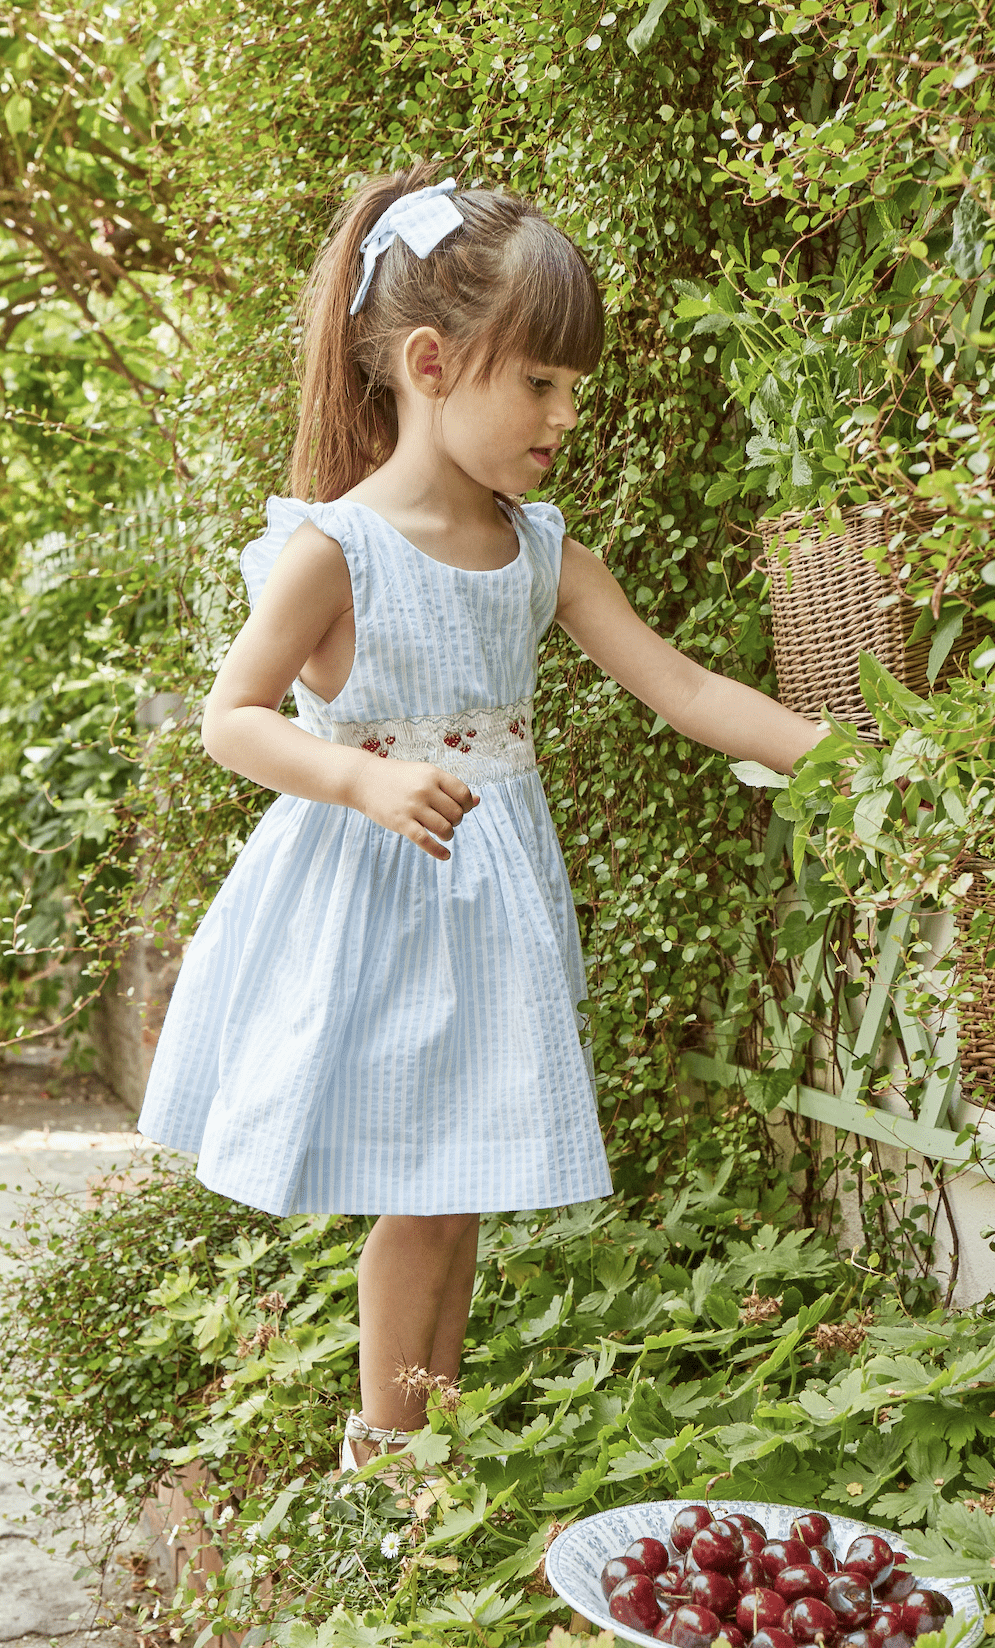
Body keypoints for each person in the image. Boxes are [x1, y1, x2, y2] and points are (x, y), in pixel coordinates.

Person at [138, 164, 825, 1478]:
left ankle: (423, 1454)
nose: (564, 417)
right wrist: (366, 779)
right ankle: (390, 1472)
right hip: (379, 901)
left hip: (489, 902)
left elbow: (684, 685)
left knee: (453, 1195)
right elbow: (235, 716)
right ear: (433, 363)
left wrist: (850, 757)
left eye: (574, 388)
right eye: (541, 384)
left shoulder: (543, 551)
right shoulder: (338, 549)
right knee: (421, 1188)